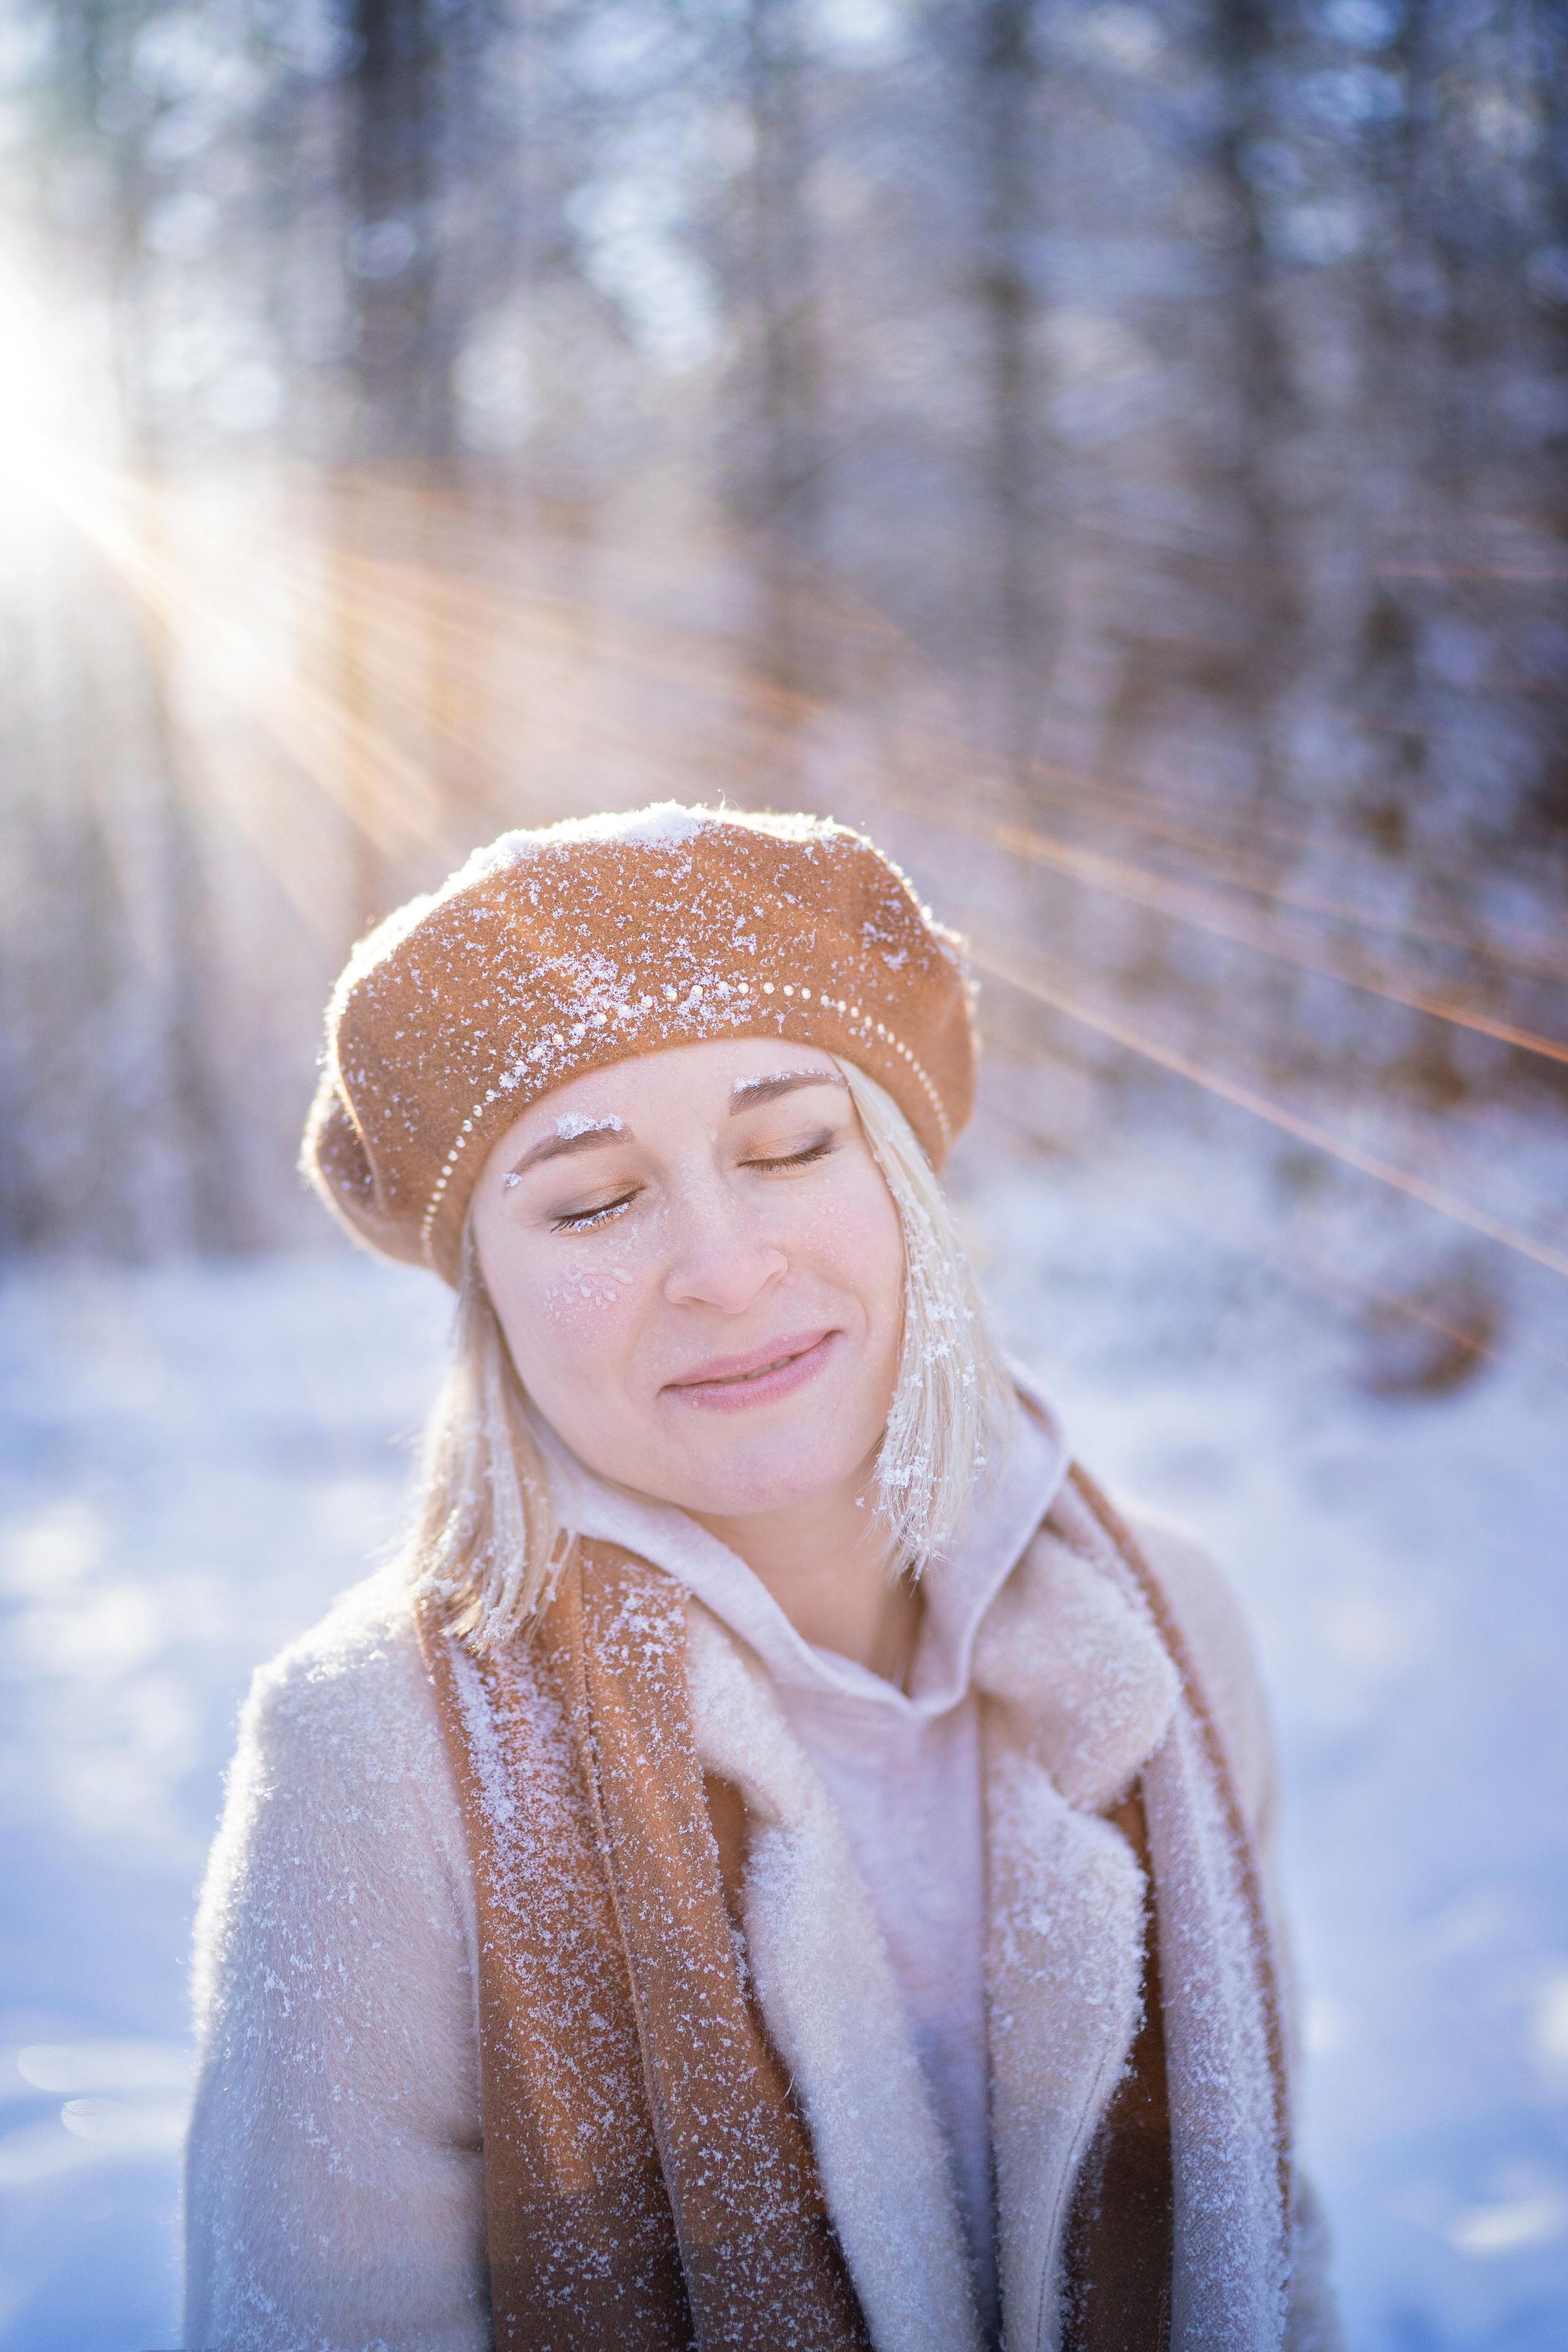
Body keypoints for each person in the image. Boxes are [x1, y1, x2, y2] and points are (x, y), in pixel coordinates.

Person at [184, 804, 1340, 2351]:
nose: (723, 1267)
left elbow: (1271, 2240)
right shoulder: (374, 1751)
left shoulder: (1163, 1636)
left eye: (790, 1148)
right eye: (592, 1202)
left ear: (904, 1195)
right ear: (491, 1301)